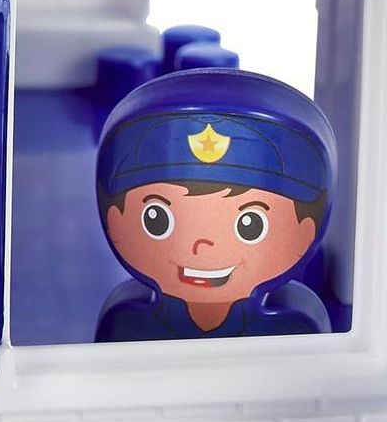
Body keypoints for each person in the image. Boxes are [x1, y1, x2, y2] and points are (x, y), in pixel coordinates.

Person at [94, 68, 336, 342]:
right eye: (157, 220)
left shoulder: (296, 329)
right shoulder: (125, 323)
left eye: (250, 225)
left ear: (306, 229)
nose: (202, 245)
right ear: (115, 218)